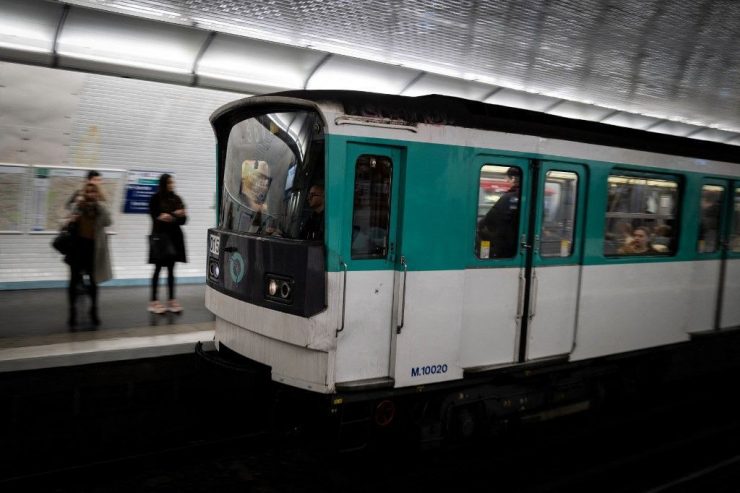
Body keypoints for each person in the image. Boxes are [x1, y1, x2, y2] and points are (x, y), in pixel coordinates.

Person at [66, 183, 112, 327]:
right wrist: (73, 214)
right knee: (74, 281)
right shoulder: (78, 206)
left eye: (94, 192)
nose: (91, 194)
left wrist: (100, 206)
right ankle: (72, 311)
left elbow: (108, 222)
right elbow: (67, 220)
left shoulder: (100, 208)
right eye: (89, 192)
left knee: (93, 281)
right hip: (77, 248)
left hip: (93, 249)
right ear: (85, 193)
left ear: (97, 193)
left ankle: (93, 310)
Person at [148, 174, 187, 314]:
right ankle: (153, 301)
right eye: (169, 182)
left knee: (171, 270)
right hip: (160, 238)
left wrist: (171, 216)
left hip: (174, 238)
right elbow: (156, 217)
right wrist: (175, 214)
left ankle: (171, 300)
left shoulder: (177, 198)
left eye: (172, 182)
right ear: (163, 183)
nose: (172, 184)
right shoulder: (155, 198)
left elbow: (184, 220)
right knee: (158, 269)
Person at [478, 167, 521, 258]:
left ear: (513, 178)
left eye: (507, 178)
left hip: (506, 245)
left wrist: (479, 224)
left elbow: (490, 218)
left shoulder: (508, 197)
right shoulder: (532, 196)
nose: (506, 181)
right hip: (518, 242)